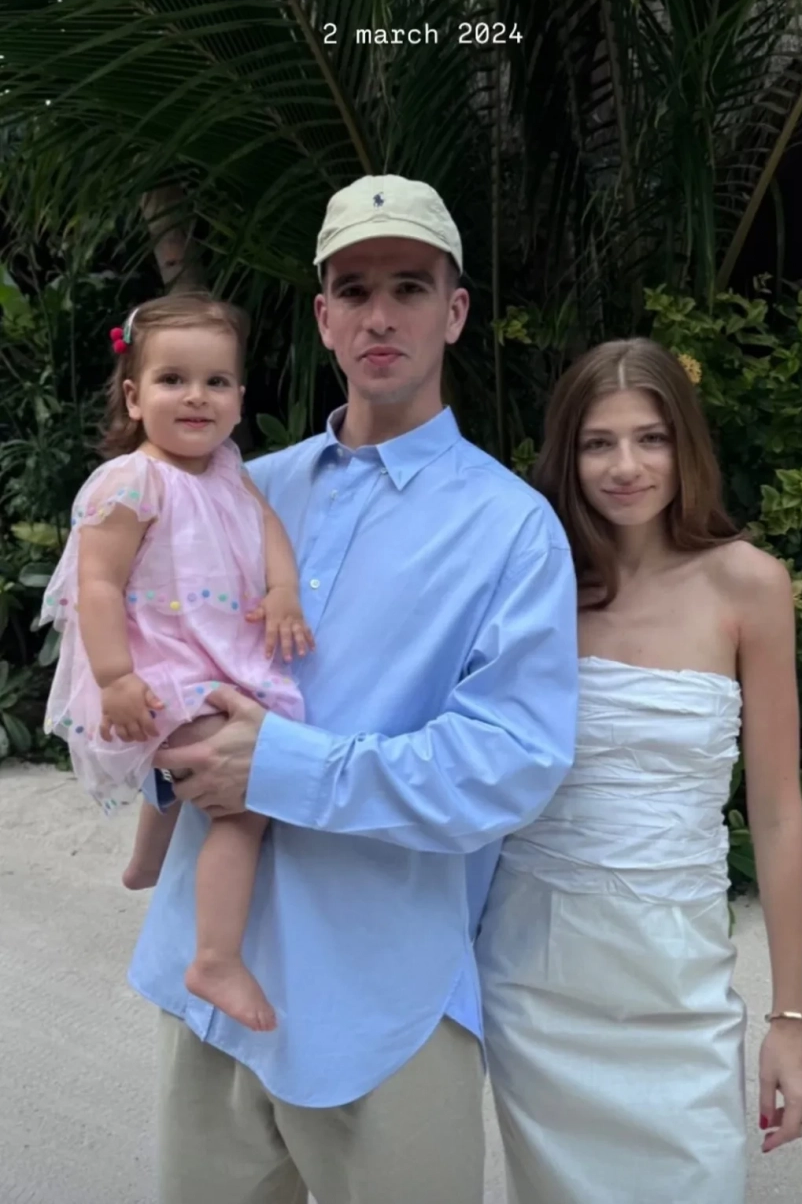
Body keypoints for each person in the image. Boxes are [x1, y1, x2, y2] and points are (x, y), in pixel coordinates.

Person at [126, 174, 579, 1204]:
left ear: (454, 311)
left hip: (383, 1002)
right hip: (210, 985)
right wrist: (169, 751)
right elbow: (157, 656)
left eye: (410, 287)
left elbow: (509, 763)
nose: (381, 315)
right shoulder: (240, 489)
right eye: (356, 289)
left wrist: (278, 766)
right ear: (323, 316)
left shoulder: (511, 529)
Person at [474, 337, 802, 1204]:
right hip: (537, 971)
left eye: (651, 438)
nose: (625, 466)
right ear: (568, 455)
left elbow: (778, 810)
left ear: (685, 445)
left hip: (678, 974)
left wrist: (789, 1017)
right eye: (599, 442)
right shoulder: (532, 583)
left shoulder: (750, 586)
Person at [39, 293, 314, 1034]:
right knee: (245, 801)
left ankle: (147, 862)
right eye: (173, 380)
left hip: (213, 657)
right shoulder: (130, 481)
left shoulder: (228, 468)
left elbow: (268, 528)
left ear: (239, 398)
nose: (197, 396)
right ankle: (214, 958)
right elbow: (97, 585)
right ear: (134, 397)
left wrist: (283, 591)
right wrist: (114, 678)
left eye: (216, 382)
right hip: (153, 667)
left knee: (189, 768)